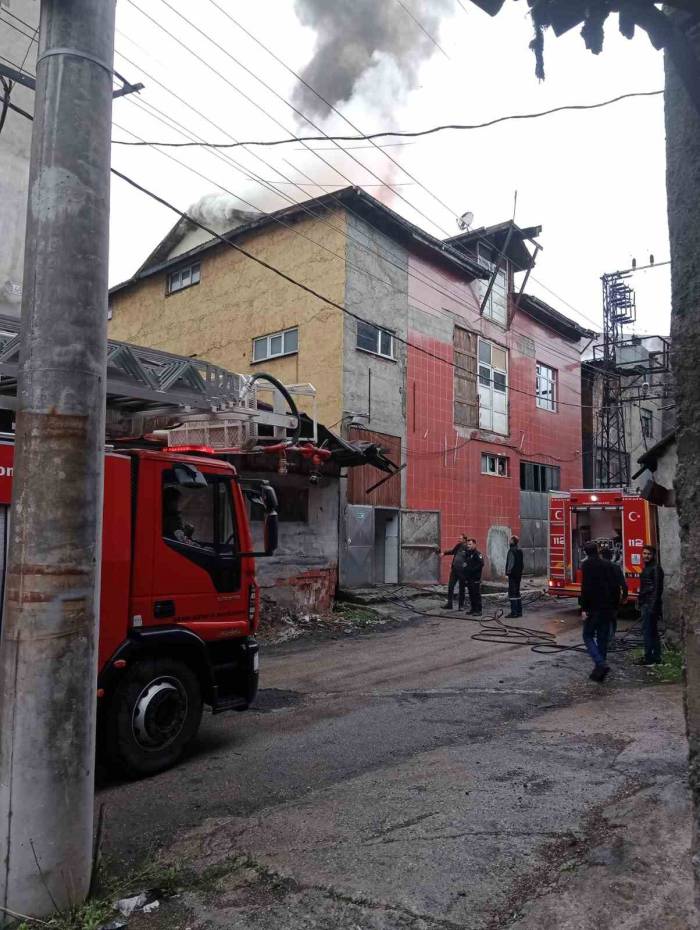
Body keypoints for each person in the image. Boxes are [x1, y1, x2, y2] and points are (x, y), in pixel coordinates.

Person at [580, 541, 619, 682]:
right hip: (607, 607)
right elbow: (615, 586)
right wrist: (614, 606)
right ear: (597, 550)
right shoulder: (608, 564)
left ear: (585, 552)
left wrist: (584, 608)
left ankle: (600, 663)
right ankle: (600, 671)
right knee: (602, 638)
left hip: (593, 608)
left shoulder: (586, 565)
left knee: (587, 635)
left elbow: (586, 588)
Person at [637, 544, 664, 666]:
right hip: (646, 603)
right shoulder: (647, 568)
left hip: (650, 605)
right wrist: (640, 600)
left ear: (653, 555)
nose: (646, 556)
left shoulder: (655, 568)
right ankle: (656, 657)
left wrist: (652, 606)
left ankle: (649, 658)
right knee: (652, 631)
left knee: (648, 632)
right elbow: (644, 587)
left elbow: (657, 589)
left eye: (649, 554)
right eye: (644, 553)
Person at [601, 545, 628, 639]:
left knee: (604, 619)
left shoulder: (598, 567)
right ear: (611, 556)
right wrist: (624, 597)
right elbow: (623, 584)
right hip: (614, 598)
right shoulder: (616, 567)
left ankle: (606, 639)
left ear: (601, 556)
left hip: (602, 598)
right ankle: (611, 637)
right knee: (612, 618)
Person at [443, 534, 469, 610]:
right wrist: (444, 553)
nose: (459, 539)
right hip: (454, 570)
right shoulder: (458, 545)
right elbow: (452, 551)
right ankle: (449, 604)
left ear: (464, 540)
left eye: (460, 538)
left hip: (462, 571)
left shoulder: (467, 548)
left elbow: (470, 559)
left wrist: (466, 564)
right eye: (459, 538)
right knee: (451, 586)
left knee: (462, 588)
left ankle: (461, 606)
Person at [464, 538, 484, 616]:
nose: (468, 546)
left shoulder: (477, 554)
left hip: (475, 577)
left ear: (474, 545)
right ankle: (473, 609)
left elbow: (481, 564)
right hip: (469, 578)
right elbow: (466, 563)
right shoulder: (468, 553)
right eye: (468, 544)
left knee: (476, 594)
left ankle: (479, 610)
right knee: (471, 594)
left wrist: (472, 570)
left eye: (470, 544)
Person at [505, 535, 524, 618]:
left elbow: (510, 563)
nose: (509, 541)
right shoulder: (520, 551)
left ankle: (514, 612)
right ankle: (519, 611)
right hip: (518, 575)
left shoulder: (511, 551)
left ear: (513, 541)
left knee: (512, 593)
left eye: (510, 540)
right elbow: (522, 564)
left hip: (512, 575)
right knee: (517, 592)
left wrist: (508, 572)